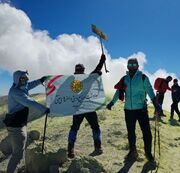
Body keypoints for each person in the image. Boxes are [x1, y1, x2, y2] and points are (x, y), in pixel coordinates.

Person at [106, 58, 160, 164]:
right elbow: (119, 92)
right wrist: (112, 102)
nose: (131, 66)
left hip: (141, 110)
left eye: (133, 64)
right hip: (128, 110)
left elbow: (150, 91)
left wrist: (156, 104)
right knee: (131, 132)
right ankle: (133, 151)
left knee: (146, 133)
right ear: (127, 66)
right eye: (129, 64)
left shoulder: (143, 77)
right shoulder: (124, 79)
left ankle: (148, 153)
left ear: (137, 66)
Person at [3, 70, 49, 173]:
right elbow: (29, 101)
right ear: (17, 79)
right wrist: (44, 109)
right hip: (16, 127)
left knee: (18, 153)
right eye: (23, 78)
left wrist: (40, 80)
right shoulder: (16, 92)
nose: (26, 80)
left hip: (17, 124)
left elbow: (30, 84)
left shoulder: (21, 86)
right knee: (17, 155)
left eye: (26, 78)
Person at [67, 54, 106, 158]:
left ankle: (72, 149)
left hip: (83, 108)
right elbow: (94, 73)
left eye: (81, 70)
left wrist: (101, 62)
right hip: (84, 108)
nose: (80, 72)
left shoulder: (73, 80)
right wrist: (96, 74)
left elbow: (96, 70)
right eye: (79, 70)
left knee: (81, 127)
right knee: (88, 127)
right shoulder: (73, 80)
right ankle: (72, 149)